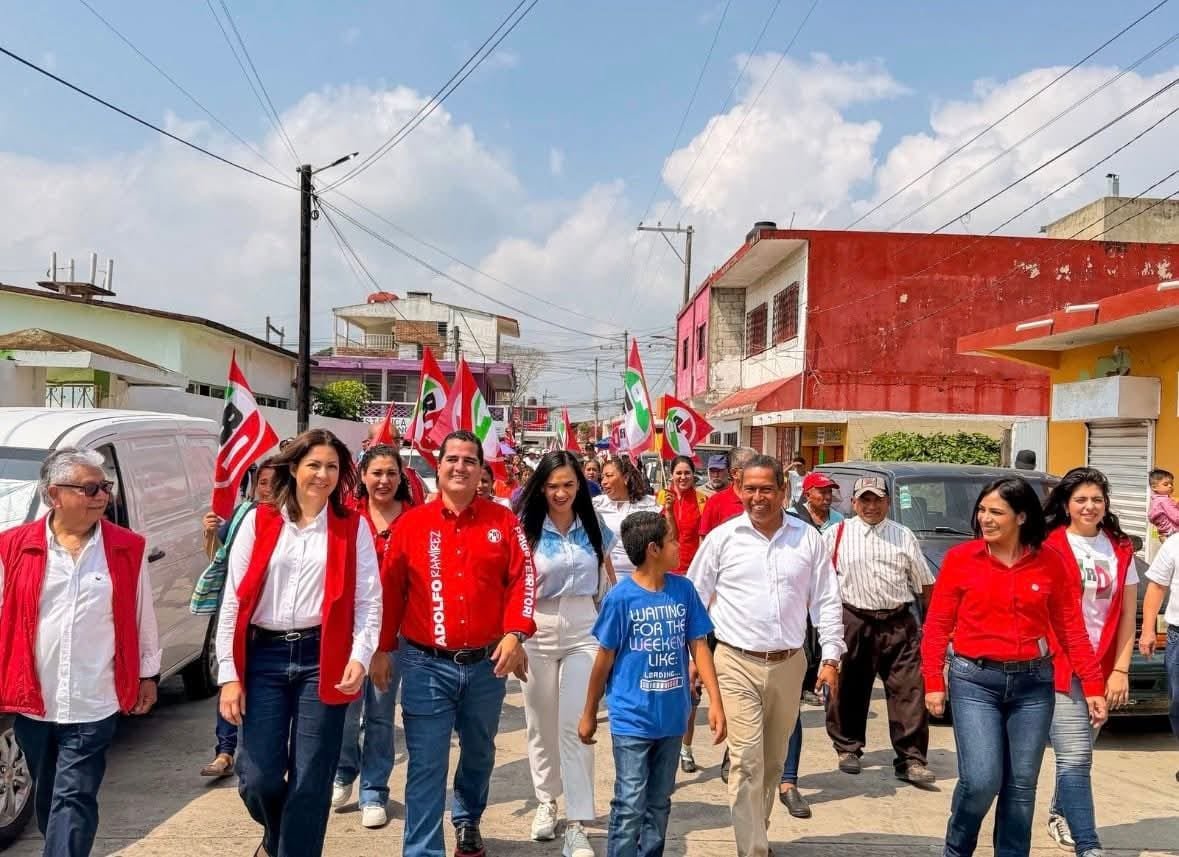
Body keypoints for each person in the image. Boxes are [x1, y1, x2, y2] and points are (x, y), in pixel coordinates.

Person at [216, 429, 382, 857]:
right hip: (264, 657)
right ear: (294, 468)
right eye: (314, 465)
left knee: (311, 778)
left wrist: (360, 656)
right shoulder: (260, 519)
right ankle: (277, 838)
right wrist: (229, 675)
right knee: (258, 778)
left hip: (321, 657)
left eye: (332, 467)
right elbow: (233, 599)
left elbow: (368, 600)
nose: (323, 475)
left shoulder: (352, 526)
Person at [922, 475, 1107, 857]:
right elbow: (937, 625)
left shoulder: (1050, 562)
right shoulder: (961, 560)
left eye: (996, 512)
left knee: (1021, 789)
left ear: (1021, 517)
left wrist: (1092, 685)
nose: (985, 518)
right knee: (981, 780)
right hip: (975, 681)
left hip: (1033, 685)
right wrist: (932, 681)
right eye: (982, 511)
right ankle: (957, 849)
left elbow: (1071, 628)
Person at [0, 448, 161, 857]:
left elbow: (142, 614)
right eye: (90, 487)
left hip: (95, 699)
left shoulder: (126, 547)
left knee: (75, 797)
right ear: (55, 495)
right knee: (50, 795)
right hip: (34, 702)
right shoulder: (13, 548)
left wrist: (148, 673)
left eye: (105, 487)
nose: (101, 496)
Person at [383, 430, 536, 857]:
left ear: (480, 470)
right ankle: (422, 850)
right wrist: (380, 650)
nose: (460, 467)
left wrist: (515, 631)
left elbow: (523, 578)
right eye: (452, 458)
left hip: (488, 665)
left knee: (480, 753)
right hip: (425, 663)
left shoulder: (504, 521)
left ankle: (468, 819)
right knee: (427, 763)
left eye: (469, 460)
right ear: (439, 464)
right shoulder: (411, 525)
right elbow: (391, 591)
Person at [688, 455, 844, 857]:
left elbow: (826, 600)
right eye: (750, 489)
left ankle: (759, 830)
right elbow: (695, 599)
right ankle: (752, 849)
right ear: (739, 490)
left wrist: (831, 658)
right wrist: (692, 657)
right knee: (745, 760)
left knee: (773, 762)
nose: (758, 497)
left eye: (767, 489)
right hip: (735, 661)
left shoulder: (807, 538)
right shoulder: (723, 538)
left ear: (783, 491)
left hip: (790, 665)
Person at [580, 511, 725, 857]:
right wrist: (588, 712)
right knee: (630, 801)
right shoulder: (621, 598)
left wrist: (716, 703)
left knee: (659, 802)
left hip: (673, 717)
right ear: (653, 549)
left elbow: (700, 646)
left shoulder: (684, 590)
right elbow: (603, 660)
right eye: (672, 540)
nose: (679, 547)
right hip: (632, 718)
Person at [515, 451, 615, 857]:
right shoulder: (524, 528)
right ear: (541, 486)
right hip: (535, 628)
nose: (560, 493)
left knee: (577, 726)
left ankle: (578, 821)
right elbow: (513, 581)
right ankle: (546, 801)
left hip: (583, 629)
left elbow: (608, 580)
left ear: (580, 487)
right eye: (553, 485)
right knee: (541, 723)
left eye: (568, 485)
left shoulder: (594, 527)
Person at [1041, 468, 1138, 856]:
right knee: (1076, 754)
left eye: (1097, 499)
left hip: (1102, 665)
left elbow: (1128, 614)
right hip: (1060, 663)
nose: (1089, 506)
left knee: (1082, 751)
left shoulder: (1119, 547)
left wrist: (1120, 669)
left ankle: (1059, 811)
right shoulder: (1049, 545)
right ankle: (1080, 834)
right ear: (1066, 504)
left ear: (1106, 504)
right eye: (1081, 499)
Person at [824, 477, 936, 785]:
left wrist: (931, 623)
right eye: (865, 500)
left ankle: (911, 758)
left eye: (877, 500)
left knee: (909, 690)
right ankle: (848, 748)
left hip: (898, 621)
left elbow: (924, 582)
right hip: (853, 619)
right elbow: (819, 581)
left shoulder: (903, 535)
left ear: (888, 502)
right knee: (848, 687)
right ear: (853, 503)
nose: (871, 506)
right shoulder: (836, 535)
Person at [331, 444, 411, 829]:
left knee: (380, 713)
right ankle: (344, 770)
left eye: (391, 473)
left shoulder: (414, 519)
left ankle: (375, 790)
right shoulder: (346, 517)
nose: (384, 480)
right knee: (345, 709)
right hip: (346, 630)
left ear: (401, 477)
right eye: (376, 472)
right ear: (363, 476)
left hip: (394, 633)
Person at [197, 459, 278, 779]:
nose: (268, 488)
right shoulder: (243, 516)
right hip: (238, 613)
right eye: (263, 482)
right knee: (231, 679)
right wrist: (210, 533)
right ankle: (225, 750)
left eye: (275, 482)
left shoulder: (294, 520)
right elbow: (219, 557)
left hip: (272, 624)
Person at [653, 455, 709, 773]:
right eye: (678, 473)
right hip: (668, 581)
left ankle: (685, 747)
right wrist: (669, 507)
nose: (683, 477)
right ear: (671, 475)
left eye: (688, 473)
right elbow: (667, 538)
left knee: (693, 675)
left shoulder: (704, 500)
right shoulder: (662, 498)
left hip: (696, 582)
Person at [1138, 522, 1179, 781]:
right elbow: (1156, 587)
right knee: (1178, 703)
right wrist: (1148, 629)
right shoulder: (1175, 543)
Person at [592, 456, 659, 584]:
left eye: (609, 476)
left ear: (626, 478)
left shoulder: (650, 505)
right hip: (607, 578)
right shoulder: (596, 506)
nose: (603, 482)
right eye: (603, 477)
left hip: (643, 577)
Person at [699, 447, 756, 537]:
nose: (758, 471)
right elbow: (704, 541)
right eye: (752, 467)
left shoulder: (762, 500)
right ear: (734, 473)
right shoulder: (715, 502)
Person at [1148, 468, 1179, 541]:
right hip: (1174, 533)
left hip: (1165, 533)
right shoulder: (1164, 501)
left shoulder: (1155, 500)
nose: (1170, 486)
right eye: (1166, 484)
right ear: (1154, 487)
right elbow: (1177, 518)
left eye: (1171, 483)